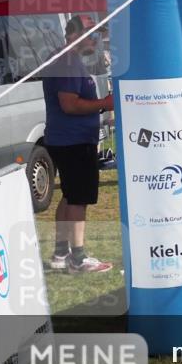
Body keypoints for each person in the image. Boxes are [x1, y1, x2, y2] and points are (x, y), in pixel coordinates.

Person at [45, 16, 114, 273]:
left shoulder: (65, 58)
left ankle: (62, 253)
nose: (97, 40)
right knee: (78, 199)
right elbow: (69, 104)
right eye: (93, 34)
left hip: (68, 139)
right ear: (76, 35)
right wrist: (105, 104)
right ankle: (78, 258)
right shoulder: (67, 59)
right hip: (72, 140)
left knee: (70, 195)